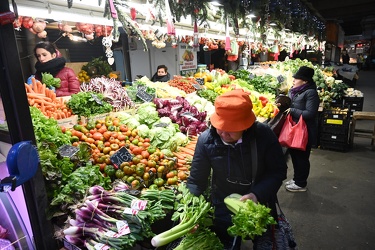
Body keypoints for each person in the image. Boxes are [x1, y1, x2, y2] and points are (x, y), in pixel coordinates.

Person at [187, 89, 287, 249]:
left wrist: (257, 194)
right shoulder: (206, 141)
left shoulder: (263, 135)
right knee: (227, 241)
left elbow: (278, 171)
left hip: (258, 201)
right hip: (222, 202)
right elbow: (196, 181)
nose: (224, 133)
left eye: (232, 129)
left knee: (263, 240)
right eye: (221, 126)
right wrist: (190, 211)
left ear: (246, 125)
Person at [284, 66, 320, 192]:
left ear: (305, 81)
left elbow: (310, 113)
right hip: (295, 130)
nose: (294, 80)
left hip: (305, 131)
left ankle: (301, 184)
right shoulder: (295, 90)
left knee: (302, 158)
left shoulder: (311, 93)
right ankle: (296, 179)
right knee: (294, 156)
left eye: (297, 78)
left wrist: (293, 110)